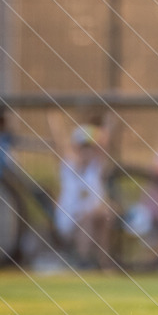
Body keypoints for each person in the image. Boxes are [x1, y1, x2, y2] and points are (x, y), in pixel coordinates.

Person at [47, 111, 115, 269]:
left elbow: (105, 142)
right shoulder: (67, 167)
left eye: (91, 147)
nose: (88, 151)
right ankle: (82, 261)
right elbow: (57, 142)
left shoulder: (95, 169)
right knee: (88, 218)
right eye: (84, 147)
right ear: (77, 148)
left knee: (105, 213)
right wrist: (52, 117)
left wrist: (109, 119)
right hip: (69, 223)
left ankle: (103, 262)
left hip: (90, 218)